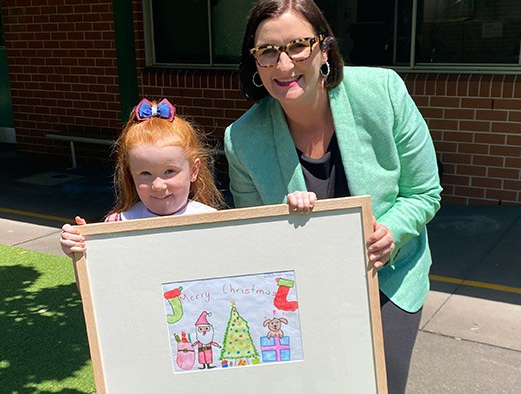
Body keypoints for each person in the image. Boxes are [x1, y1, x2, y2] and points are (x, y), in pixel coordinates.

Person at [224, 1, 442, 392]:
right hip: (301, 294)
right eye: (268, 51)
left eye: (298, 45)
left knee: (382, 386)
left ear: (324, 49)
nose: (284, 64)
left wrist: (392, 230)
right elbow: (251, 234)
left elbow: (424, 193)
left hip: (387, 280)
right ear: (254, 62)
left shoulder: (383, 92)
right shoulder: (241, 139)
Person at [60, 98, 226, 256]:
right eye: (145, 173)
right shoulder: (117, 224)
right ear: (130, 174)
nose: (158, 186)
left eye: (169, 171)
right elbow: (100, 281)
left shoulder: (214, 223)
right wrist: (82, 249)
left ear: (194, 170)